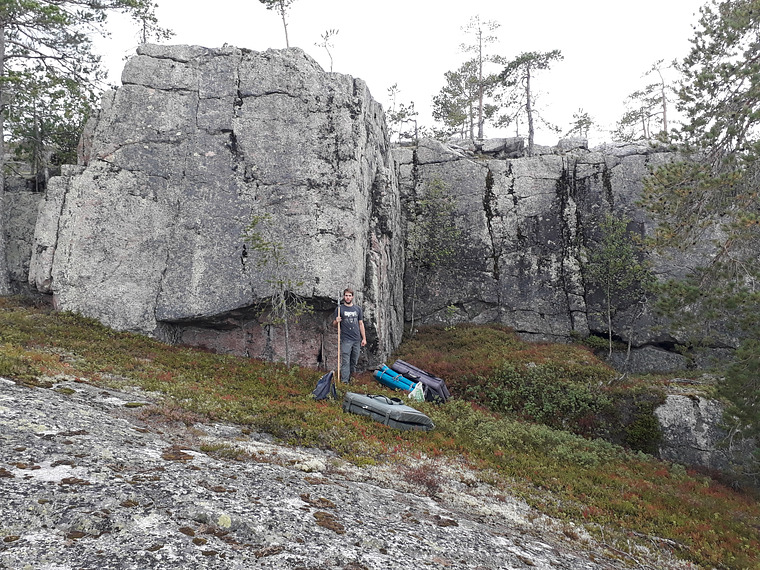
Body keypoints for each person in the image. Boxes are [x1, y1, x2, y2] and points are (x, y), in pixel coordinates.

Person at [332, 288, 367, 384]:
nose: (347, 297)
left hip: (356, 339)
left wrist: (364, 338)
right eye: (346, 295)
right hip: (346, 339)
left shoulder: (358, 309)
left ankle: (352, 379)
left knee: (354, 361)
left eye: (349, 295)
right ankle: (344, 382)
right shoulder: (339, 309)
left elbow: (361, 323)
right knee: (345, 361)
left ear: (352, 297)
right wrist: (337, 321)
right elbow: (334, 325)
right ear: (344, 296)